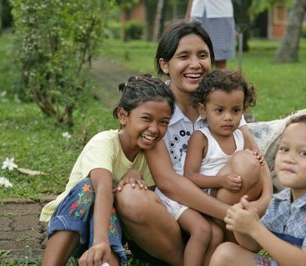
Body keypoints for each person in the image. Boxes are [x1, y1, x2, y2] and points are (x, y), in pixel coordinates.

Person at [115, 20, 272, 265]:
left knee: (247, 162)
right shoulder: (156, 105)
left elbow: (257, 157)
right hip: (170, 218)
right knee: (129, 198)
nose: (195, 64)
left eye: (202, 55)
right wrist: (232, 214)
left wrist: (265, 200)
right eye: (183, 56)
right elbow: (169, 182)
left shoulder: (222, 102)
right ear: (165, 65)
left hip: (220, 217)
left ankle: (225, 251)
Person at [39, 74, 176, 266]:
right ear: (123, 116)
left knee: (116, 206)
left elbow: (144, 207)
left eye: (163, 122)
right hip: (73, 222)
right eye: (146, 118)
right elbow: (102, 188)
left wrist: (135, 176)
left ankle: (103, 257)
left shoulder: (150, 156)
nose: (154, 129)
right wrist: (100, 241)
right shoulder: (104, 142)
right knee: (88, 188)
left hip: (110, 228)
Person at [210, 115, 306, 266]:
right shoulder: (282, 200)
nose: (288, 158)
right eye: (284, 149)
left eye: (304, 153)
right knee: (227, 253)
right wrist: (243, 225)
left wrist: (255, 228)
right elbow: (253, 246)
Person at [184, 69, 262, 205]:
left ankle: (240, 216)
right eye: (219, 110)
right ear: (203, 110)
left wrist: (257, 158)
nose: (228, 117)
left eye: (236, 110)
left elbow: (253, 165)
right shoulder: (201, 138)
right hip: (211, 197)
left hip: (239, 193)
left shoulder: (241, 136)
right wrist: (221, 181)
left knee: (252, 166)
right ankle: (230, 219)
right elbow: (190, 176)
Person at [186, 0, 235, 70]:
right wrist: (187, 17)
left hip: (219, 13)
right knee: (193, 57)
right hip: (197, 13)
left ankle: (220, 81)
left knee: (220, 61)